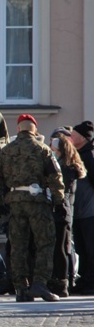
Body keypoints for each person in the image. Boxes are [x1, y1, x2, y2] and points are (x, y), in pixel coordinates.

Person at [0, 114, 64, 302]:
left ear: (18, 129)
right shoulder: (43, 149)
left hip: (15, 203)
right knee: (44, 243)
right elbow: (56, 177)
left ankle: (21, 288)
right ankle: (40, 283)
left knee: (18, 245)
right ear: (35, 130)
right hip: (37, 202)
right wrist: (58, 200)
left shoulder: (6, 151)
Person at [49, 133, 86, 297]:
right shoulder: (69, 166)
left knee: (62, 248)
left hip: (62, 211)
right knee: (63, 248)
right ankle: (65, 280)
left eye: (53, 149)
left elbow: (61, 191)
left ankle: (63, 281)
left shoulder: (66, 168)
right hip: (65, 211)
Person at [69, 120, 94, 295]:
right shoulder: (78, 154)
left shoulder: (89, 156)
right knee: (81, 248)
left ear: (82, 137)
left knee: (90, 247)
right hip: (79, 211)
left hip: (89, 211)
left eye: (74, 134)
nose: (71, 136)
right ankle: (85, 279)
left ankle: (90, 281)